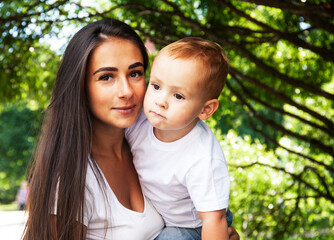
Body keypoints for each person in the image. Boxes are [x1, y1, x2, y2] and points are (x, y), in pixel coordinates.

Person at [23, 18, 240, 240]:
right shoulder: (72, 179)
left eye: (135, 73)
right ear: (79, 85)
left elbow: (211, 220)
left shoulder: (154, 135)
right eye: (106, 77)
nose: (126, 91)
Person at [126, 37, 231, 240]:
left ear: (205, 109)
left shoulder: (202, 157)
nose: (161, 101)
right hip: (161, 217)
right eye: (156, 86)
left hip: (195, 226)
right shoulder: (139, 121)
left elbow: (214, 220)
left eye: (178, 96)